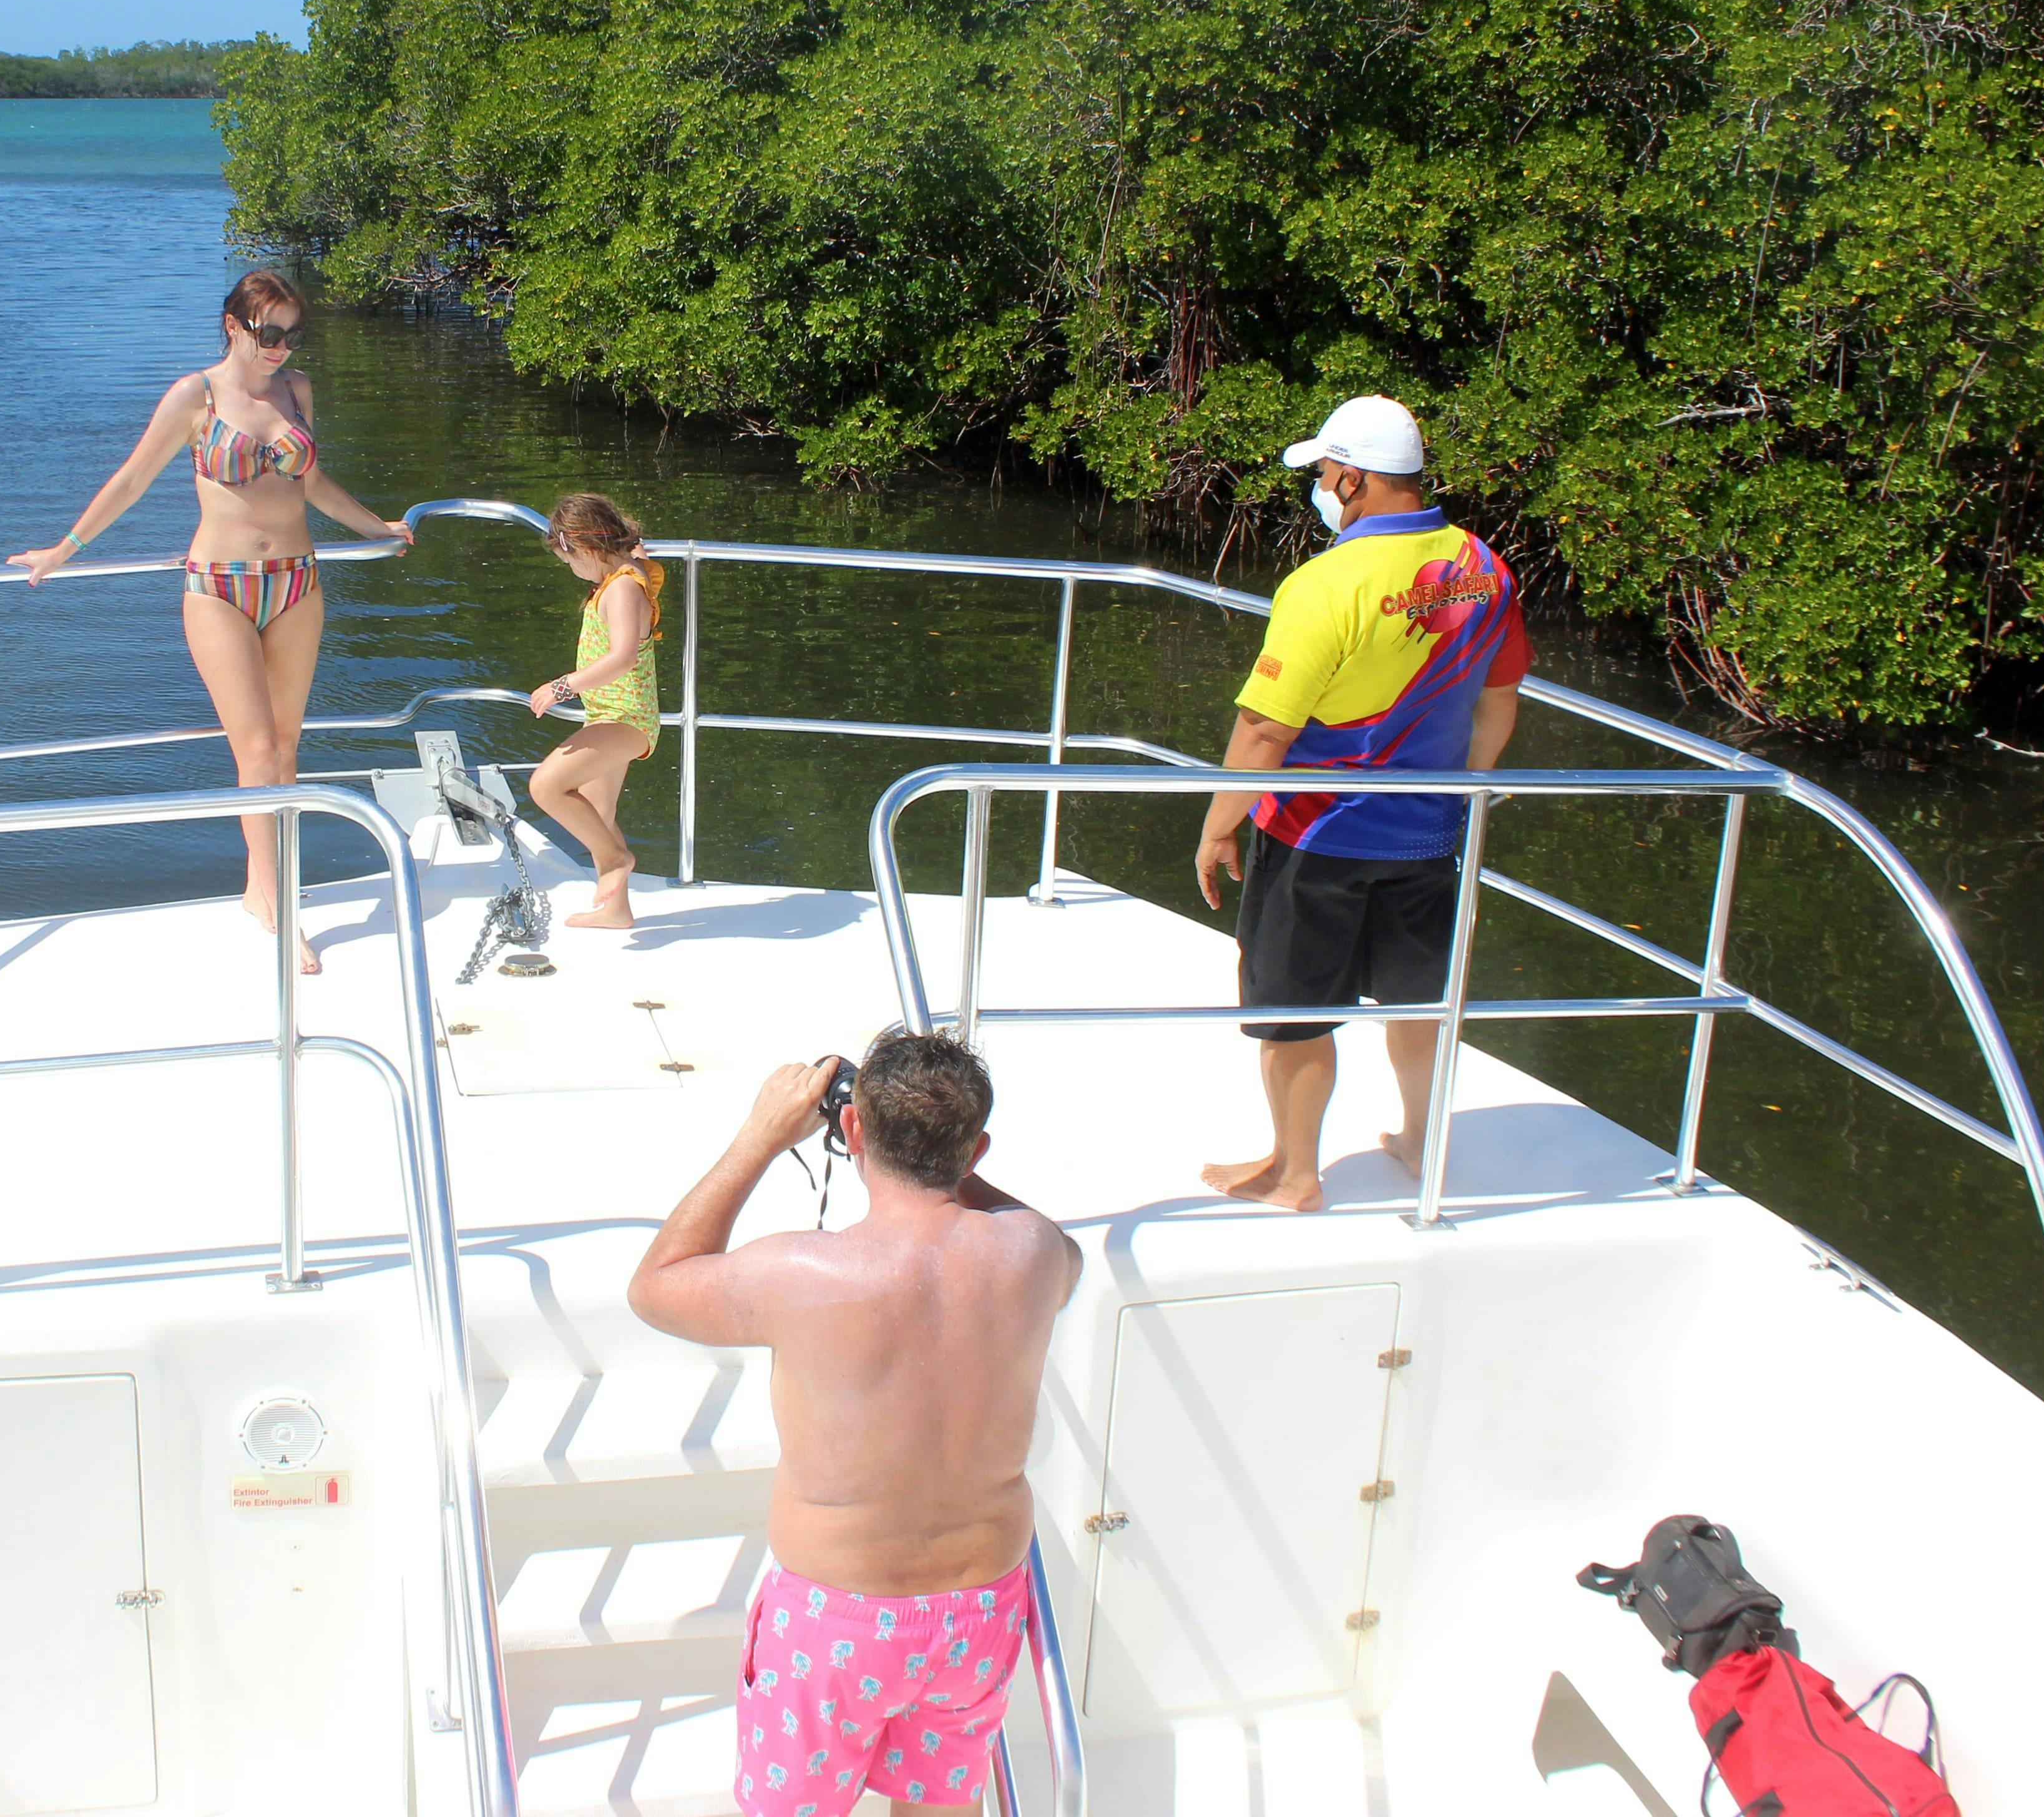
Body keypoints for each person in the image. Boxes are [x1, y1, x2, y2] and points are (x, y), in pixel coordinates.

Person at [628, 1029, 1081, 1817]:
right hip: (978, 1609)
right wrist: (945, 1160)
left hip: (835, 1623)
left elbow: (654, 1285)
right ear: (977, 1150)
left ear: (852, 1132)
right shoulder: (1036, 1254)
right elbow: (1032, 1228)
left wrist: (761, 1137)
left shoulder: (801, 1271)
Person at [7, 271, 411, 972]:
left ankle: (259, 889)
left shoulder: (298, 391)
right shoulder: (196, 395)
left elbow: (310, 484)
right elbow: (133, 478)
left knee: (285, 748)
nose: (281, 348)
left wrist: (377, 526)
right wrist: (63, 550)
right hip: (218, 588)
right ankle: (282, 904)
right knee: (255, 751)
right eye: (269, 333)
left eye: (292, 334)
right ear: (234, 326)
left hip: (296, 583)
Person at [1192, 393, 1529, 1210]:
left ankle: (1295, 1173)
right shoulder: (1484, 567)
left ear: (1350, 476)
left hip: (1315, 837)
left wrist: (1216, 829)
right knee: (1418, 998)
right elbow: (1500, 698)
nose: (1320, 486)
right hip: (1427, 836)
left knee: (1295, 1010)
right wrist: (1458, 790)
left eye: (1322, 472)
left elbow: (1263, 732)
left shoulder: (1325, 584)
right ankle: (1418, 1139)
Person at [524, 493, 663, 929]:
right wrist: (633, 551)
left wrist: (560, 686)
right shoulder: (626, 570)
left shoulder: (621, 588)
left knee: (546, 786)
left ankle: (614, 857)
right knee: (595, 813)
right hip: (611, 713)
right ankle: (616, 911)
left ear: (584, 549)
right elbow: (637, 557)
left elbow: (622, 657)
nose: (570, 570)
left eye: (568, 560)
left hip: (623, 718)